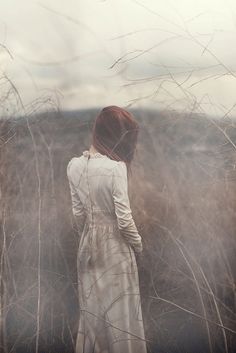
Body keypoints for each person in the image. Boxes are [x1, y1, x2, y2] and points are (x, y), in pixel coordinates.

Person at [67, 106, 147, 353]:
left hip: (87, 246)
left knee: (93, 316)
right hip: (116, 248)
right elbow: (124, 220)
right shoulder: (116, 168)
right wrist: (139, 245)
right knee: (120, 317)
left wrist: (91, 233)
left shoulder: (74, 165)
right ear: (117, 136)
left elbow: (78, 215)